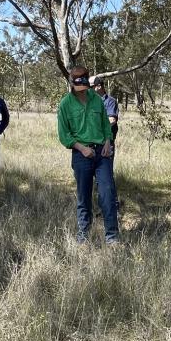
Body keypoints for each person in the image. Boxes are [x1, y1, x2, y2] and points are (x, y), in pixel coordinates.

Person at [57, 66, 118, 245]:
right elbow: (64, 134)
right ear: (72, 85)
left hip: (102, 153)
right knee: (84, 196)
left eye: (84, 89)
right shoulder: (65, 104)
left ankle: (112, 236)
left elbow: (106, 126)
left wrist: (108, 141)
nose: (82, 92)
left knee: (107, 193)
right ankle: (83, 235)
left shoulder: (97, 100)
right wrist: (81, 148)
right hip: (81, 154)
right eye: (78, 89)